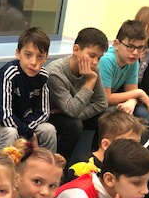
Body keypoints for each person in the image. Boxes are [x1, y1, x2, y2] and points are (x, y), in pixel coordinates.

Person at [0, 27, 57, 152]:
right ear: (18, 54)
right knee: (10, 133)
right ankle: (2, 165)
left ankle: (45, 164)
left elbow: (43, 113)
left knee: (48, 130)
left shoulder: (43, 76)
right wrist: (29, 133)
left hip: (18, 121)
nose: (34, 62)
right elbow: (4, 116)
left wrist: (25, 128)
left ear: (46, 57)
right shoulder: (10, 73)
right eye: (28, 55)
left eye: (40, 56)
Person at [47, 27, 109, 162]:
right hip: (51, 114)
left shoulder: (94, 69)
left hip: (70, 111)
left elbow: (102, 103)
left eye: (99, 58)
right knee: (74, 125)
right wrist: (90, 81)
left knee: (106, 117)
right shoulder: (55, 72)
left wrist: (73, 112)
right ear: (76, 50)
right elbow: (72, 110)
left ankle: (96, 162)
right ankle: (62, 166)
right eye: (92, 56)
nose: (95, 62)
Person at [98, 19, 149, 123]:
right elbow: (105, 98)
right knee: (117, 115)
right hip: (94, 104)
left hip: (110, 100)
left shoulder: (132, 61)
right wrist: (139, 93)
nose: (135, 52)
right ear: (116, 44)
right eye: (130, 47)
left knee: (142, 112)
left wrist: (132, 101)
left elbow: (131, 92)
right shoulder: (106, 60)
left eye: (140, 47)